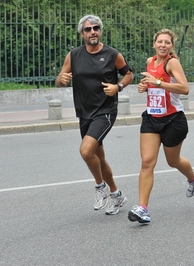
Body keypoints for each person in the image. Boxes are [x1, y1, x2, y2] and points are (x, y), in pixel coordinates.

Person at [55, 14, 133, 215]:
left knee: (85, 151)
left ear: (100, 30)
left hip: (105, 111)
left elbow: (129, 74)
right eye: (88, 29)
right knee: (99, 158)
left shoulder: (112, 54)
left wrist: (119, 87)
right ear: (82, 33)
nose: (93, 32)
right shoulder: (73, 55)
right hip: (85, 113)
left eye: (96, 28)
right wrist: (61, 80)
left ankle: (101, 188)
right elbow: (60, 80)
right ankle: (117, 196)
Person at [128, 29, 194, 223]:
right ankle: (142, 208)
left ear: (171, 46)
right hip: (152, 118)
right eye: (159, 42)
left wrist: (158, 83)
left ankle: (193, 177)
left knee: (173, 161)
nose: (162, 45)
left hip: (173, 120)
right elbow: (151, 85)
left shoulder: (172, 63)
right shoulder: (149, 62)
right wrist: (144, 87)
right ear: (154, 44)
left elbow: (184, 88)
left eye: (166, 42)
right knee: (147, 162)